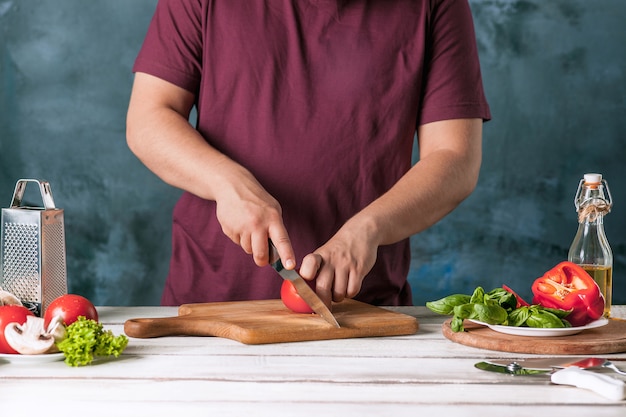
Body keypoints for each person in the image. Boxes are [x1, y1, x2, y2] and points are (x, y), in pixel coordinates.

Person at [126, 0, 491, 308]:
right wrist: (227, 183)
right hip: (210, 303)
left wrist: (369, 228)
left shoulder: (435, 4)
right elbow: (148, 118)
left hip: (360, 308)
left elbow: (454, 157)